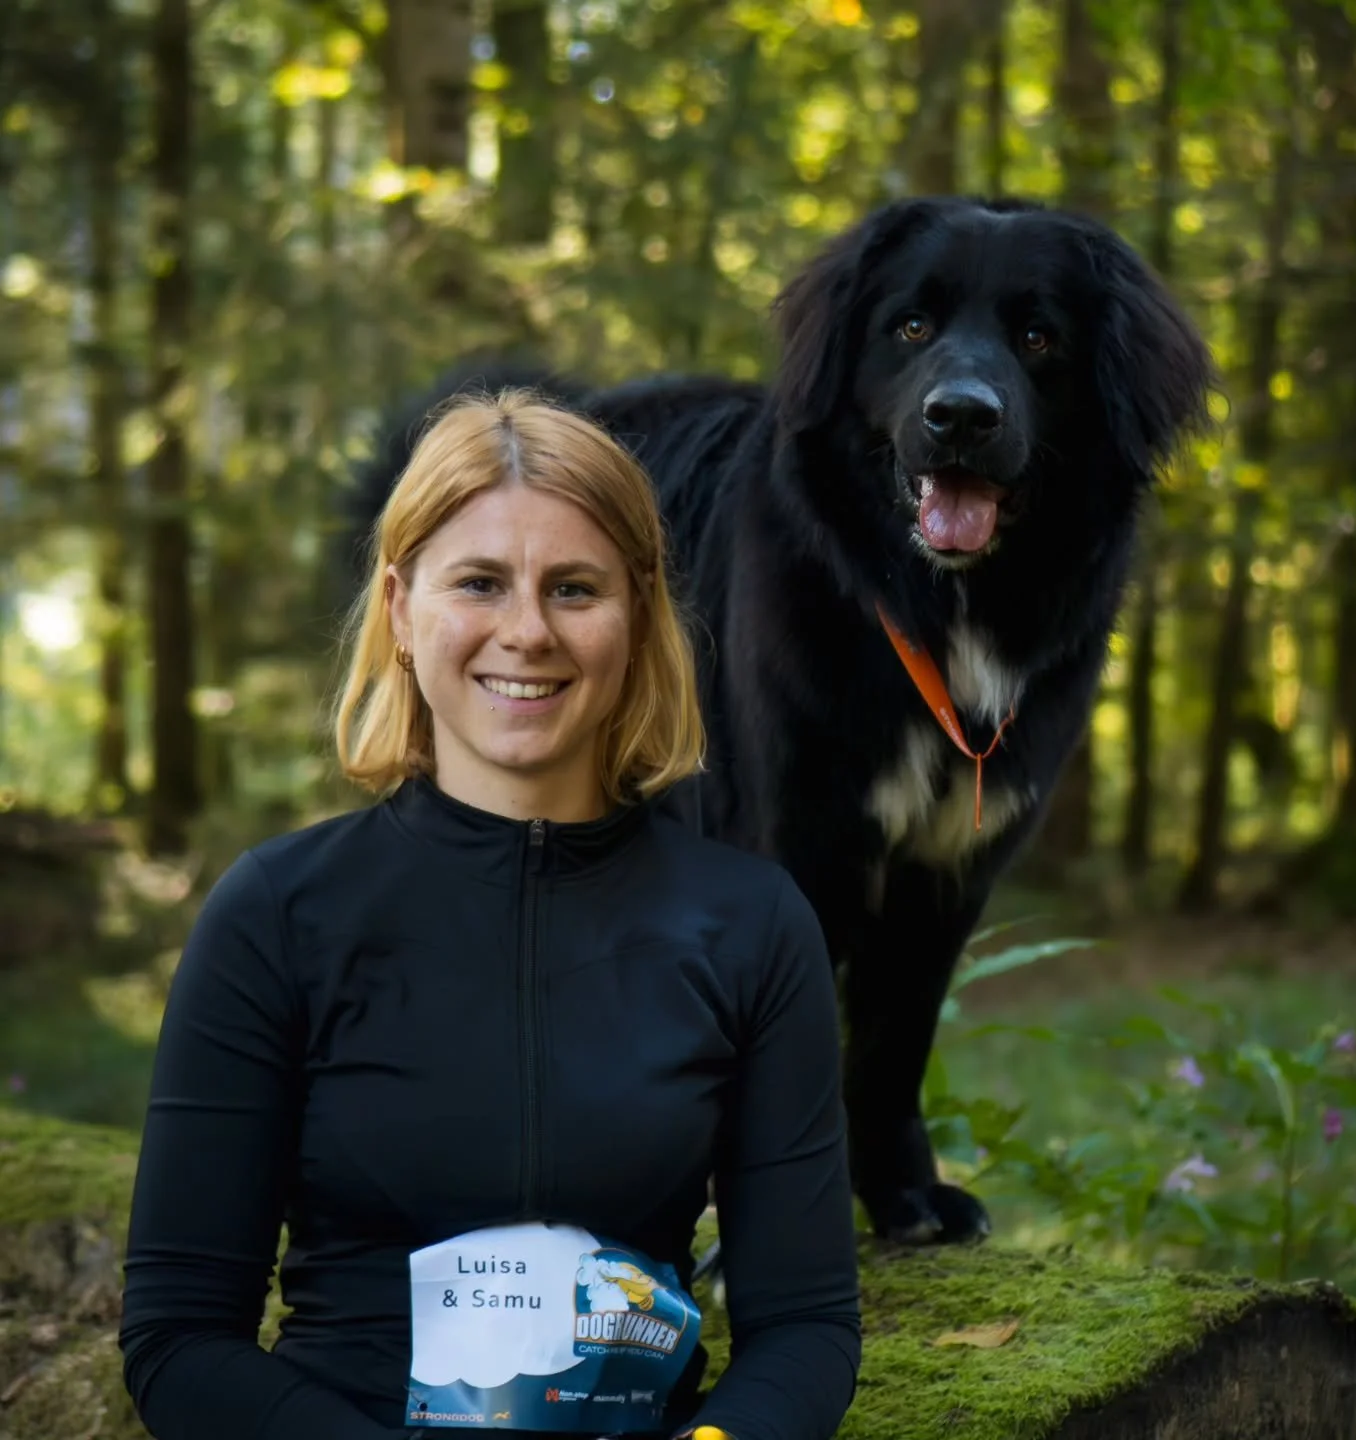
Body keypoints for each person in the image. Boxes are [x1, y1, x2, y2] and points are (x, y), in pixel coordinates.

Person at [117, 391, 862, 1440]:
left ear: (639, 617)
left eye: (574, 588)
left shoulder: (749, 925)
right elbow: (179, 1339)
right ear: (399, 609)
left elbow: (808, 1329)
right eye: (478, 583)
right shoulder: (279, 914)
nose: (527, 631)